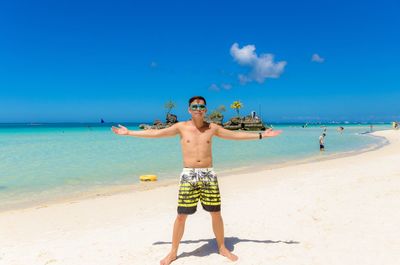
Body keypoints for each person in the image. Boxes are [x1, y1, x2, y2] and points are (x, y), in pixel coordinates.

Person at [111, 96, 282, 265]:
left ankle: (222, 247)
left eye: (201, 107)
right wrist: (129, 132)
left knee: (216, 213)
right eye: (195, 106)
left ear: (205, 110)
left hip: (208, 174)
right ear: (189, 110)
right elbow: (156, 133)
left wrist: (262, 135)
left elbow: (235, 135)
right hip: (189, 175)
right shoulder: (181, 127)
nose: (198, 109)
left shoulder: (212, 128)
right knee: (181, 216)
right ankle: (173, 252)